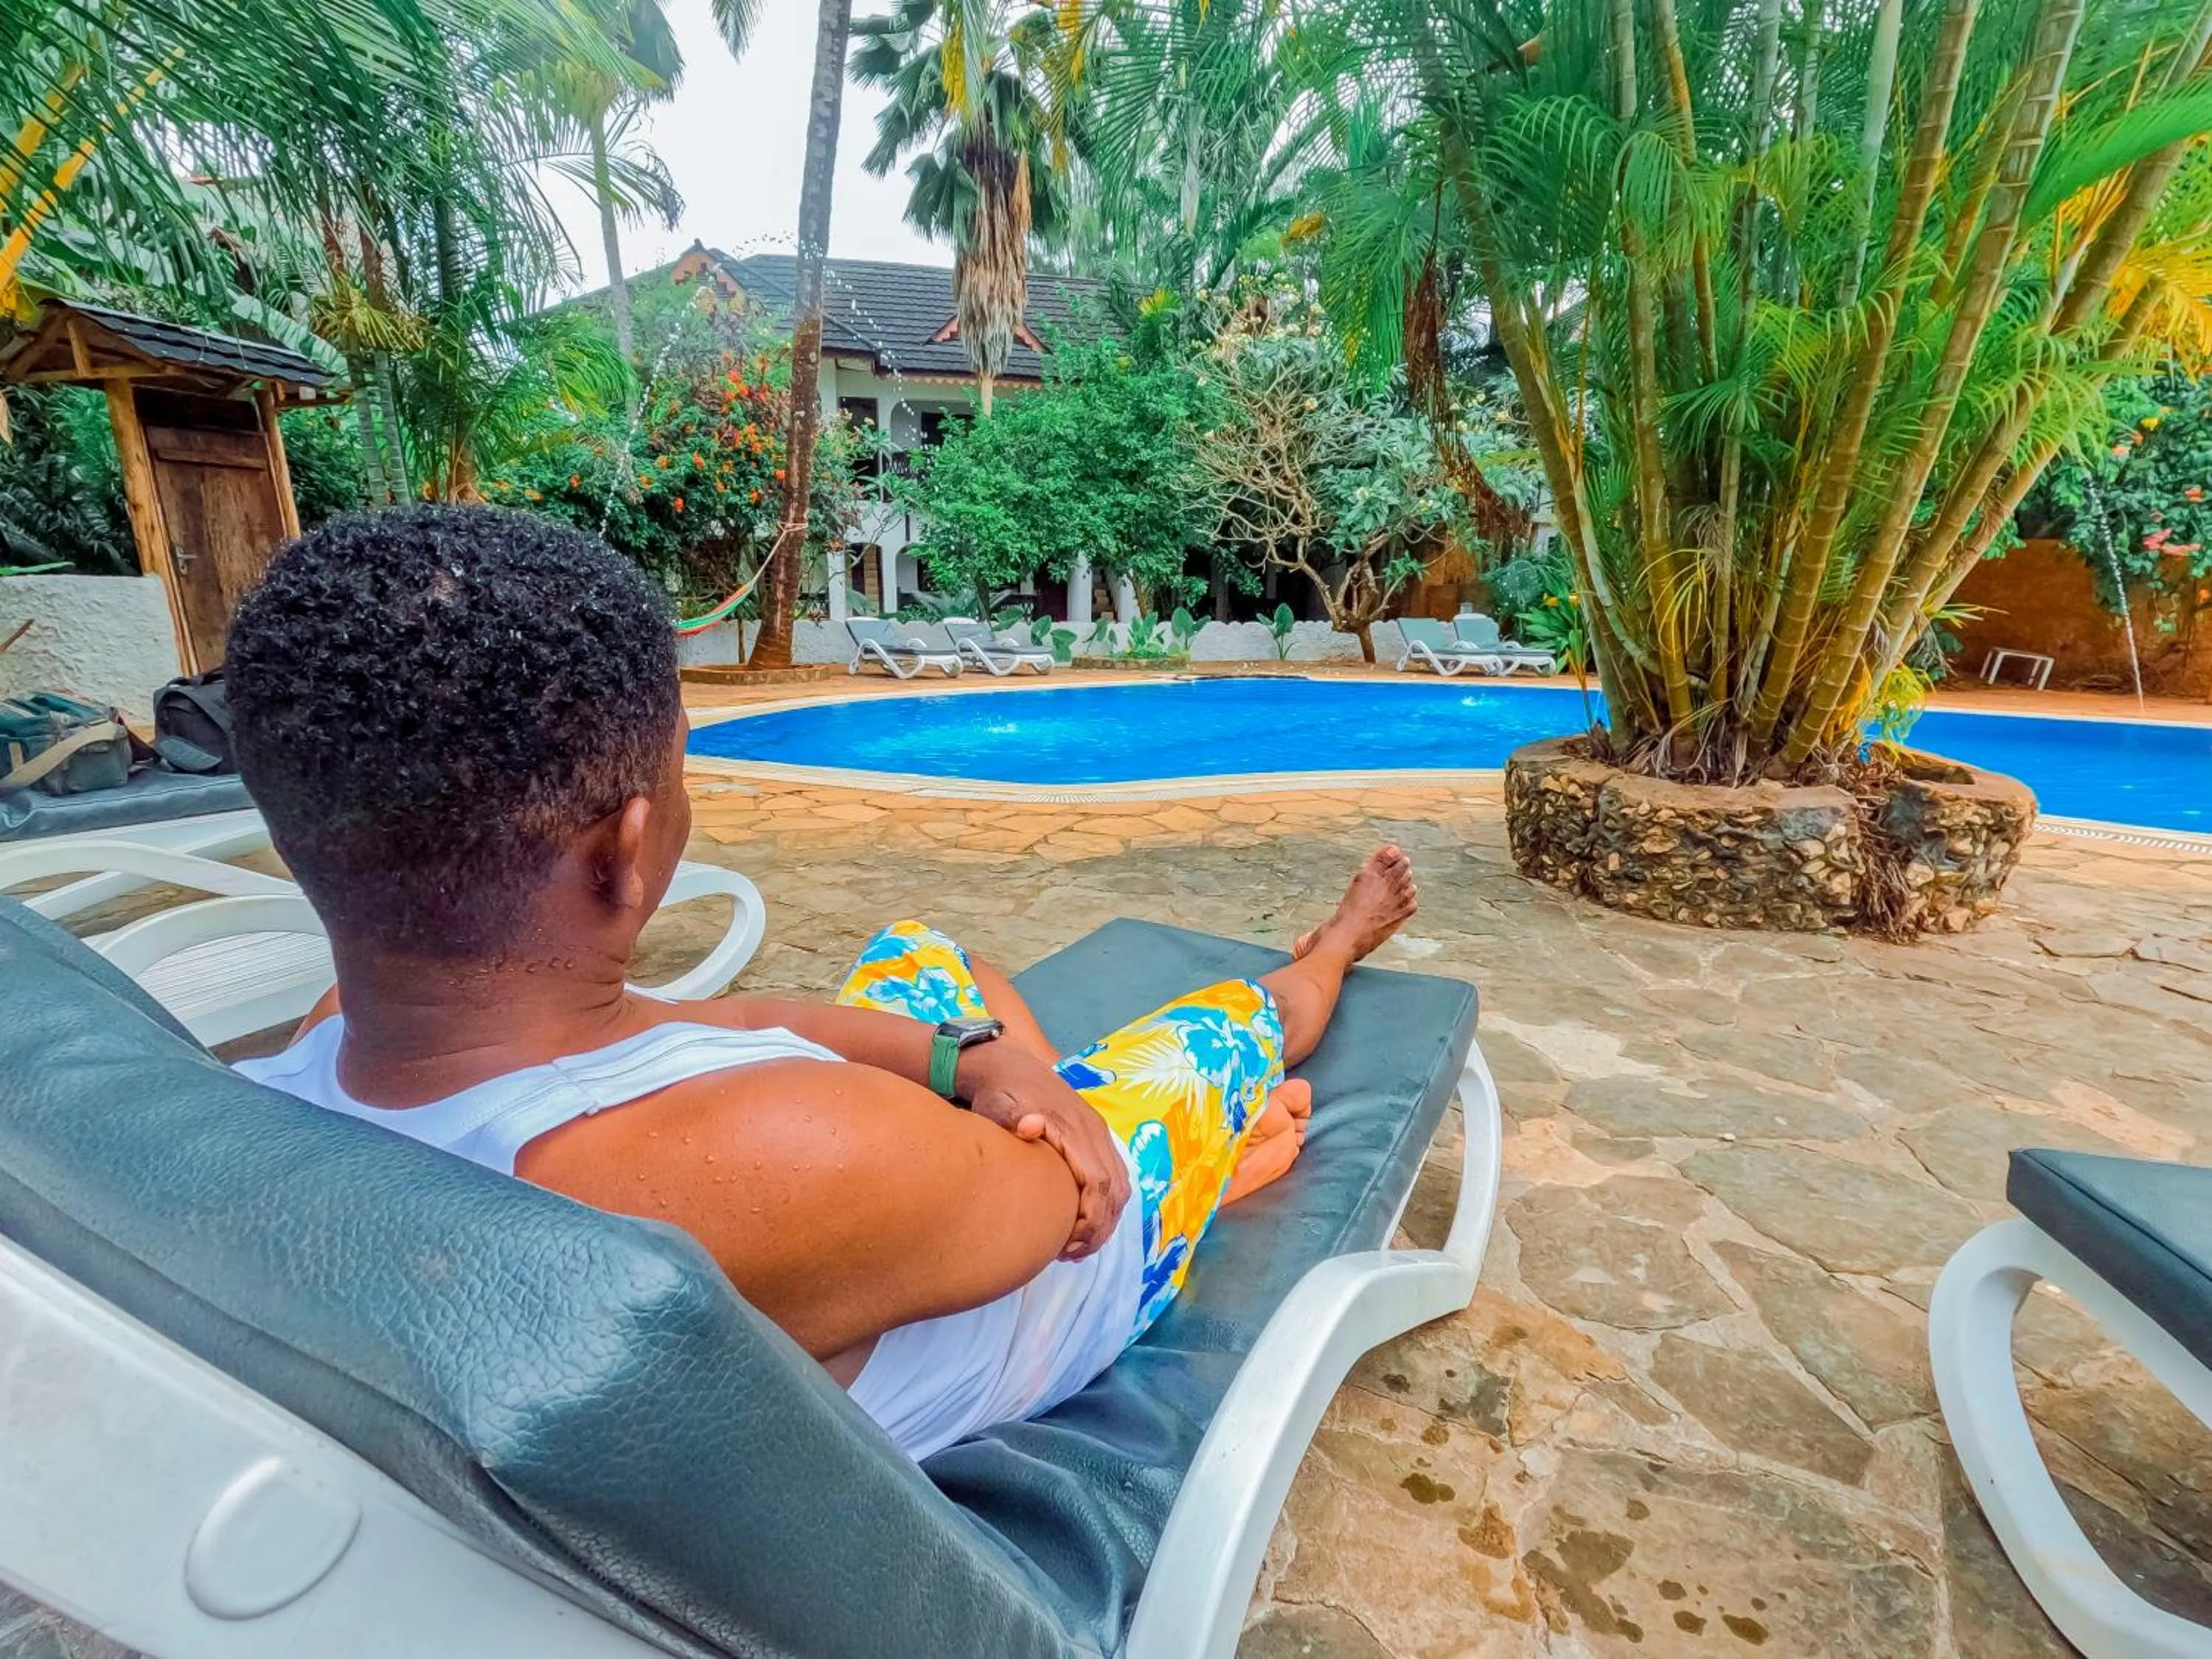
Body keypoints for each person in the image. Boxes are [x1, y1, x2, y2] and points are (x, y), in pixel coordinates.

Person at [225, 506, 1419, 1460]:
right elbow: (1068, 1192)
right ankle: (1310, 985)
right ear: (624, 851)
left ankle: (1176, 1114)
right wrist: (1044, 1090)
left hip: (893, 1177)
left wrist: (974, 1056)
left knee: (925, 955)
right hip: (1083, 1246)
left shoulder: (322, 1057)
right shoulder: (790, 1154)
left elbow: (728, 1016)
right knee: (1220, 1027)